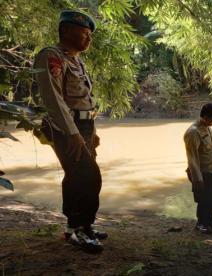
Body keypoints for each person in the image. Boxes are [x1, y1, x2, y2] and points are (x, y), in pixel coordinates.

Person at [33, 10, 106, 253]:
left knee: (77, 175)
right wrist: (72, 132)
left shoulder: (76, 60)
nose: (89, 38)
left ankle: (81, 226)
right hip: (64, 127)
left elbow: (85, 101)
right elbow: (53, 99)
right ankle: (77, 229)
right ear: (66, 31)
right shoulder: (51, 57)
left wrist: (90, 131)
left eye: (89, 34)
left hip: (83, 126)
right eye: (84, 33)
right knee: (88, 175)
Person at [184, 103, 212, 233]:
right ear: (206, 117)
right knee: (205, 199)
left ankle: (210, 220)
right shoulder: (193, 132)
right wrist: (198, 179)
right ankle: (201, 223)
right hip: (202, 172)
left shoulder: (207, 128)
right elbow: (192, 158)